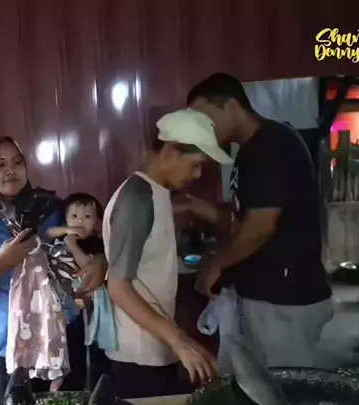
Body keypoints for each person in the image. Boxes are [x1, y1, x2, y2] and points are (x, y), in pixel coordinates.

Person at [185, 73, 334, 368]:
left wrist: (217, 264)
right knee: (253, 385)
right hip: (263, 296)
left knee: (281, 387)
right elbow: (242, 221)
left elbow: (260, 226)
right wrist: (195, 207)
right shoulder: (249, 151)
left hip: (286, 299)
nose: (201, 129)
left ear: (230, 105)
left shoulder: (272, 145)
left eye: (204, 118)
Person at [0, 137, 109, 399]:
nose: (11, 170)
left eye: (17, 162)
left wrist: (100, 261)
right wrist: (1, 261)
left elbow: (90, 240)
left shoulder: (51, 209)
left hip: (63, 340)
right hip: (7, 352)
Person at [104, 109, 229, 399]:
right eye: (195, 165)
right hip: (137, 355)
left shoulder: (155, 193)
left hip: (155, 346)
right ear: (171, 151)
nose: (197, 175)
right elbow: (118, 288)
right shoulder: (137, 199)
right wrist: (179, 340)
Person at [47, 192, 113, 388]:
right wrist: (67, 232)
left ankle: (83, 385)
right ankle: (58, 375)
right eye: (74, 216)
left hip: (83, 306)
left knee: (80, 346)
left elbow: (89, 269)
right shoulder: (60, 238)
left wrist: (72, 245)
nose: (80, 221)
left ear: (97, 222)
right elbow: (49, 232)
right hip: (59, 305)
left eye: (87, 216)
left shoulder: (95, 243)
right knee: (60, 340)